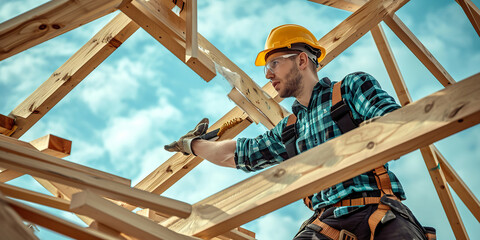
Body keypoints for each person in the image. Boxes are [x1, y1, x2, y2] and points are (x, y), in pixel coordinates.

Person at [165, 24, 435, 240]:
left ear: (302, 60)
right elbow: (236, 154)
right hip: (326, 222)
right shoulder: (289, 130)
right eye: (266, 68)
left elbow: (396, 123)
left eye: (274, 64)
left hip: (379, 211)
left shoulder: (351, 88)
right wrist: (193, 144)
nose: (268, 75)